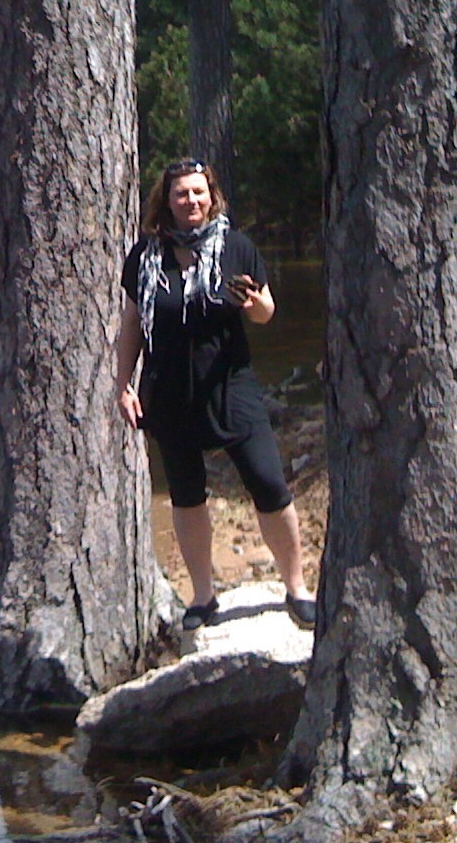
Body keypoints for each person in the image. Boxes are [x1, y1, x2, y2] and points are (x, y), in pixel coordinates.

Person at [114, 158, 316, 631]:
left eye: (198, 192)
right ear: (166, 201)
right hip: (169, 393)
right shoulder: (145, 256)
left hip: (232, 388)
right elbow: (132, 323)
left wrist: (257, 303)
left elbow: (265, 312)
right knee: (186, 496)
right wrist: (123, 384)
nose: (191, 201)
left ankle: (297, 588)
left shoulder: (235, 247)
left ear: (212, 197)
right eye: (181, 193)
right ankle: (203, 597)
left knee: (269, 485)